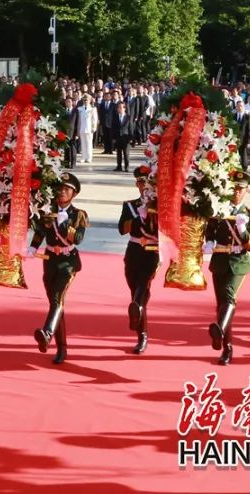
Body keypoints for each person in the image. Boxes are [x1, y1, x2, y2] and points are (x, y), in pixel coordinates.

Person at [29, 173, 88, 365]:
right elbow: (40, 232)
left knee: (57, 299)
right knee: (56, 304)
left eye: (67, 189)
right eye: (60, 188)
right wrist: (32, 247)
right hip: (50, 260)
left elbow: (78, 239)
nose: (62, 192)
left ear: (74, 194)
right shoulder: (47, 210)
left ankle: (47, 332)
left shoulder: (79, 214)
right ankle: (61, 347)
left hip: (68, 261)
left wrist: (63, 224)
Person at [204, 170, 250, 366]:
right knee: (221, 305)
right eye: (234, 188)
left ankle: (219, 329)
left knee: (229, 297)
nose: (236, 192)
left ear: (246, 191)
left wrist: (243, 231)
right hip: (219, 260)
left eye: (240, 189)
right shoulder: (219, 210)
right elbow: (209, 230)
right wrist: (208, 242)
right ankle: (227, 347)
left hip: (238, 262)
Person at [119, 166, 158, 354]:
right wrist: (137, 219)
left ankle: (142, 336)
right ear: (137, 184)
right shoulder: (129, 205)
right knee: (136, 290)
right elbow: (122, 229)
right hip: (133, 251)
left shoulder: (158, 205)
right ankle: (139, 315)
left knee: (143, 287)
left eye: (147, 182)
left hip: (151, 252)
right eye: (141, 182)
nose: (144, 186)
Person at [76, 95, 98, 164]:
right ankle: (83, 157)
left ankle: (89, 157)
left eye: (87, 100)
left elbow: (95, 119)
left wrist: (94, 127)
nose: (85, 101)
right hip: (82, 128)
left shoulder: (92, 109)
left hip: (89, 128)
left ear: (90, 100)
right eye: (84, 100)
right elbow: (78, 120)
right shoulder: (79, 109)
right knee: (83, 143)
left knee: (89, 143)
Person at [112, 101, 131, 172]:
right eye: (118, 108)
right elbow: (113, 128)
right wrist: (113, 138)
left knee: (126, 153)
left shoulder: (128, 117)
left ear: (124, 108)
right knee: (119, 153)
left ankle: (127, 167)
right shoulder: (115, 117)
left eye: (121, 107)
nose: (120, 109)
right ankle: (119, 166)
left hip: (126, 138)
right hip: (118, 138)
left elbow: (131, 128)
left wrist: (131, 138)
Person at [234, 100, 250, 171]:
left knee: (243, 153)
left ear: (243, 107)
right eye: (238, 106)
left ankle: (244, 168)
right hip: (234, 139)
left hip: (244, 139)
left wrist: (249, 141)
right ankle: (235, 167)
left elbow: (249, 129)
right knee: (235, 154)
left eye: (241, 106)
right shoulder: (233, 116)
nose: (239, 107)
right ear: (236, 107)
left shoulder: (247, 117)